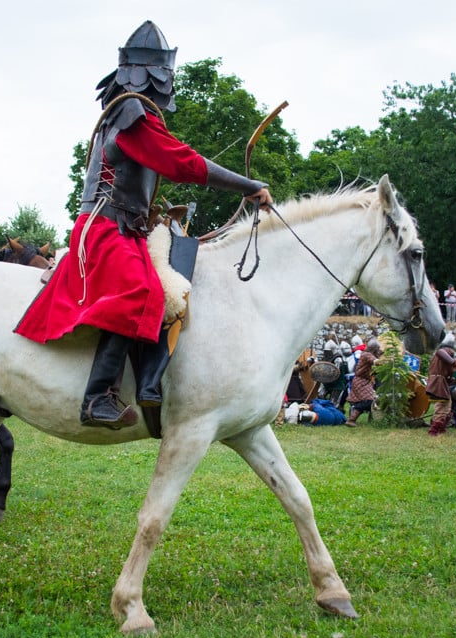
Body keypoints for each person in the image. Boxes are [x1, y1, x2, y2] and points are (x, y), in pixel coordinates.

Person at [14, 21, 272, 430]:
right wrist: (247, 185)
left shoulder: (125, 114)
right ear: (157, 77)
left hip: (123, 226)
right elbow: (181, 162)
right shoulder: (132, 115)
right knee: (143, 292)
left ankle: (149, 384)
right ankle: (97, 397)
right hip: (105, 227)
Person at [426, 333, 456, 436]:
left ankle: (441, 428)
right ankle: (434, 430)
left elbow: (448, 371)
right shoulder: (442, 351)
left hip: (441, 381)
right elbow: (442, 354)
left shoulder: (445, 355)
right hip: (438, 382)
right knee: (442, 406)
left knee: (447, 406)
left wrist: (451, 377)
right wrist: (453, 361)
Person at [346, 339, 382, 426]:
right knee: (368, 401)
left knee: (372, 400)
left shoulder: (367, 354)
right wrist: (385, 361)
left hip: (366, 381)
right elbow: (375, 362)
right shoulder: (366, 355)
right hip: (361, 382)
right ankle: (351, 420)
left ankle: (372, 420)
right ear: (374, 349)